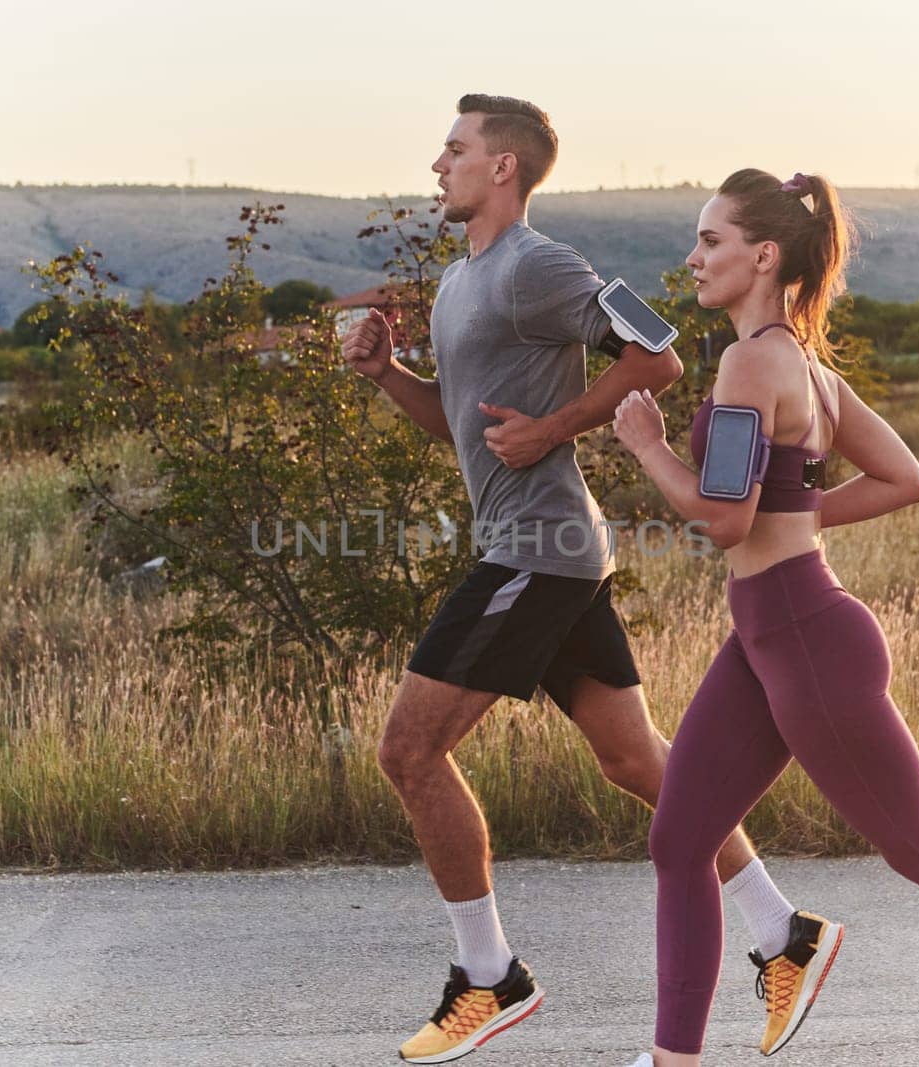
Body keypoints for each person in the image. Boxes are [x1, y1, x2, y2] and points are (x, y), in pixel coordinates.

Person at [341, 99, 842, 1064]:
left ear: (504, 170)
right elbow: (464, 429)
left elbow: (655, 348)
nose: (437, 162)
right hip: (547, 548)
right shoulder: (459, 285)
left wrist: (555, 426)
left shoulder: (543, 265)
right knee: (636, 761)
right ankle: (785, 933)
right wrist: (387, 372)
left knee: (408, 751)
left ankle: (489, 973)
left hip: (536, 550)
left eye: (455, 148)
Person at [610, 168, 919, 1066]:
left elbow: (723, 518)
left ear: (763, 256)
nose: (691, 258)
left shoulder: (751, 361)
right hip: (769, 637)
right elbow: (902, 478)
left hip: (804, 638)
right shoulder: (807, 369)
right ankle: (672, 1060)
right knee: (681, 839)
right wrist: (796, 516)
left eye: (711, 240)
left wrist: (649, 446)